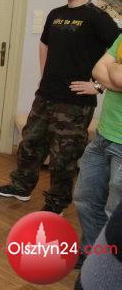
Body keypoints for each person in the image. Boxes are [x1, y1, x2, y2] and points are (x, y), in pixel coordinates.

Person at [0, 0, 120, 215]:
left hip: (75, 102)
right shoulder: (55, 14)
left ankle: (56, 203)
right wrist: (44, 76)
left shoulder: (97, 17)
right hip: (46, 95)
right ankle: (21, 187)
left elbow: (116, 51)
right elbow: (44, 44)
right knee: (30, 144)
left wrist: (98, 86)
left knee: (64, 156)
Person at [73, 32, 122, 269]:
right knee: (86, 198)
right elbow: (97, 70)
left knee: (115, 212)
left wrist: (113, 69)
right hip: (103, 136)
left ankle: (110, 268)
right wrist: (115, 76)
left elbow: (116, 75)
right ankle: (91, 254)